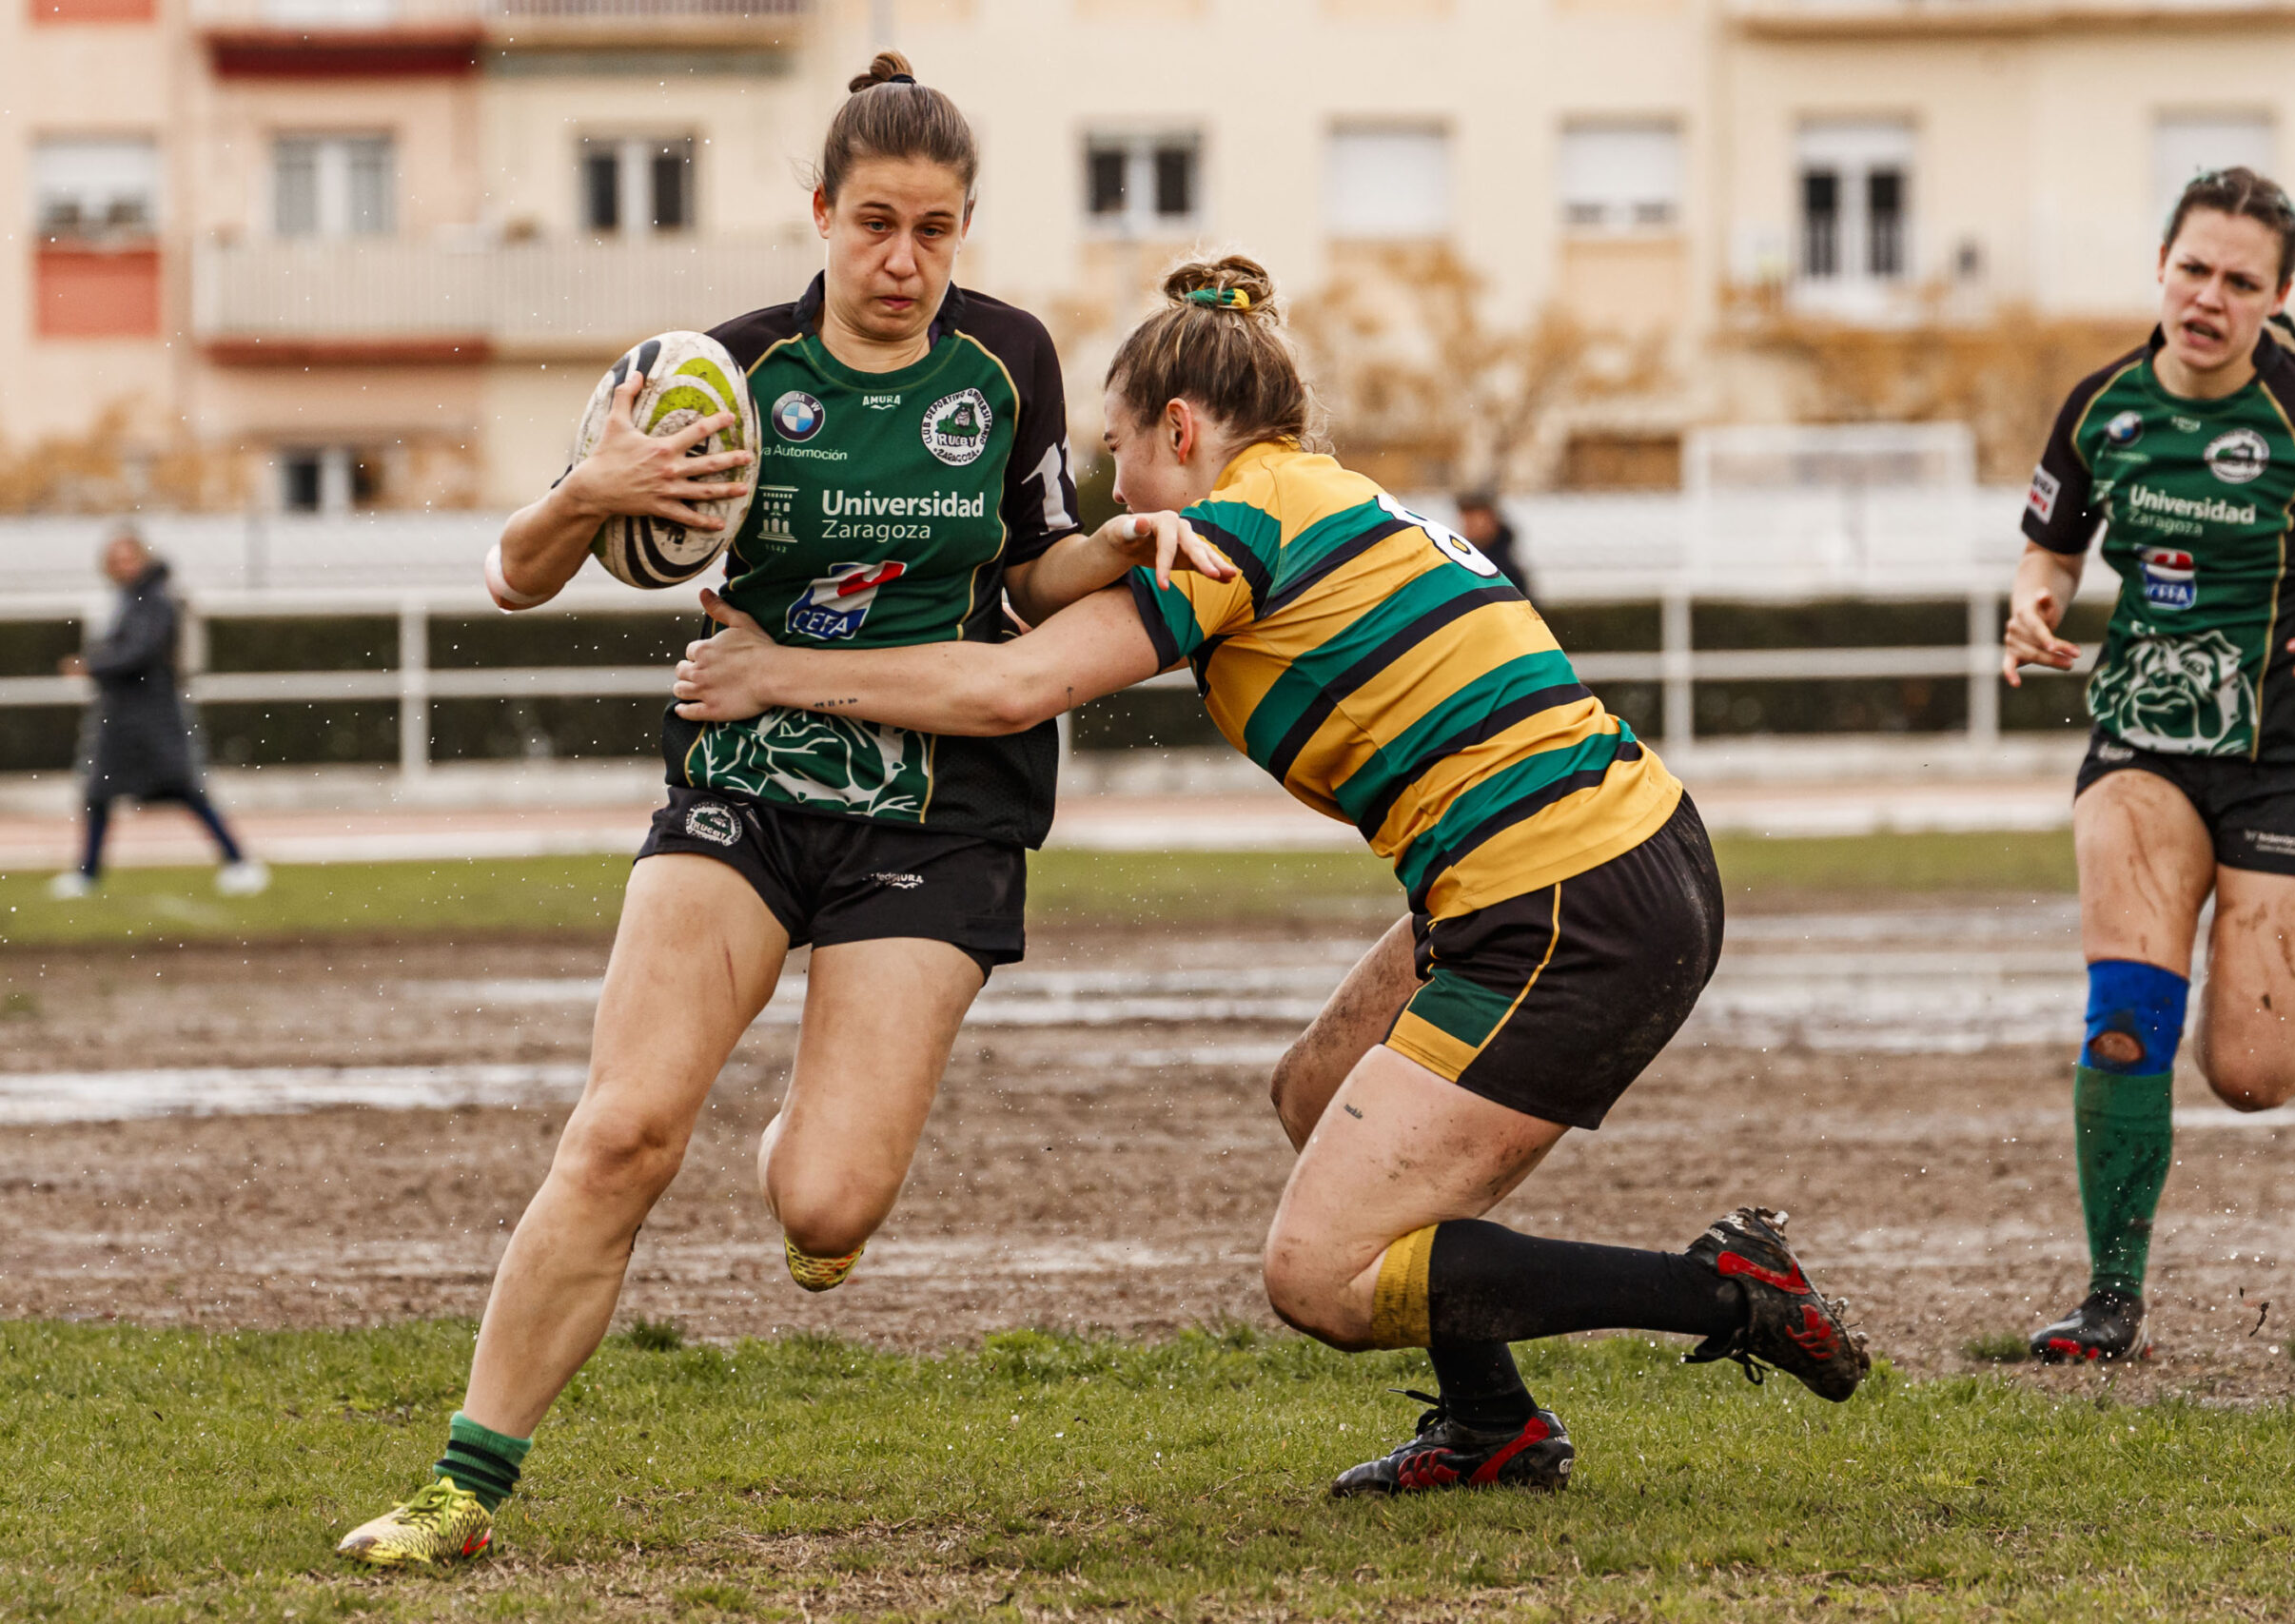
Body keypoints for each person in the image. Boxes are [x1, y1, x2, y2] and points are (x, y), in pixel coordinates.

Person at [672, 255, 1872, 1497]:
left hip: (1566, 894)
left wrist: (776, 672)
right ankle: (1494, 1427)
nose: (1111, 485)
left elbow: (1011, 686)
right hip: (1600, 851)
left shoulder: (1230, 527)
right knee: (1319, 1090)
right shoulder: (1319, 492)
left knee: (1319, 1274)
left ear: (1180, 429)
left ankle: (1728, 1288)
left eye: (1117, 447)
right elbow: (1029, 627)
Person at [337, 53, 1230, 1569]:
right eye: (875, 221)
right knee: (623, 1129)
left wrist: (1127, 542)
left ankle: (808, 1141)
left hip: (941, 809)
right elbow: (515, 573)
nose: (903, 261)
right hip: (744, 782)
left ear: (965, 232)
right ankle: (462, 1485)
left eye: (937, 230)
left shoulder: (1007, 358)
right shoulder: (718, 371)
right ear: (818, 211)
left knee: (827, 1201)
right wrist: (585, 488)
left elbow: (1026, 570)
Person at [2004, 167, 2295, 1364]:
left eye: (2239, 280)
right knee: (2127, 1019)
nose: (2208, 296)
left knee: (2243, 1070)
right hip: (2145, 744)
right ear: (2161, 265)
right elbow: (2047, 549)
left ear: (2278, 296)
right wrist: (2032, 611)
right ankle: (2110, 1300)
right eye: (2192, 268)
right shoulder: (2103, 407)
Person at [48, 525, 266, 901]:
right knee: (99, 793)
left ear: (143, 557)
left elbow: (141, 652)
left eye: (128, 557)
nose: (122, 565)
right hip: (120, 715)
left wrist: (92, 666)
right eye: (115, 559)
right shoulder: (125, 601)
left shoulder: (157, 601)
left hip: (153, 714)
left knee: (185, 789)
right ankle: (87, 874)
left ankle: (240, 863)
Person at [1455, 490, 1531, 600]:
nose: (1469, 524)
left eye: (1475, 518)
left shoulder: (1505, 570)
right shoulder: (1460, 559)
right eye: (1465, 518)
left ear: (1492, 519)